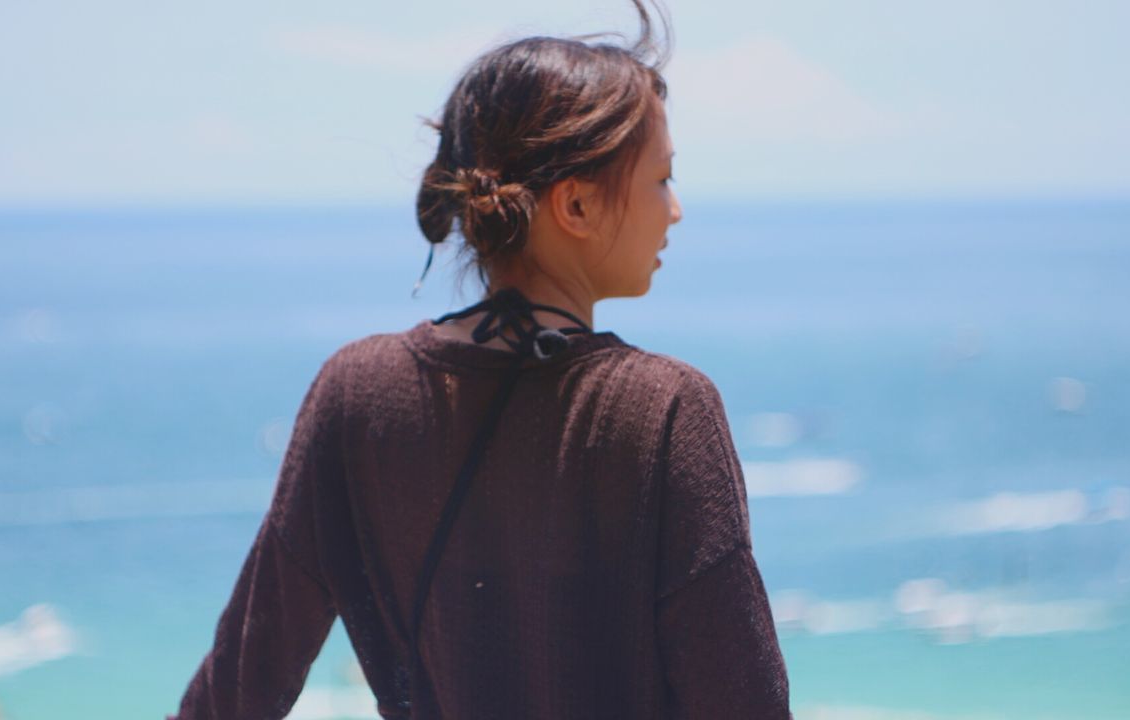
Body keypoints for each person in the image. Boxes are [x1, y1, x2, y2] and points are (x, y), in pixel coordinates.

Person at [170, 2, 792, 718]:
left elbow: (238, 685)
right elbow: (744, 701)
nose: (675, 209)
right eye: (660, 179)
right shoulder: (665, 409)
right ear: (577, 206)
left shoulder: (357, 392)